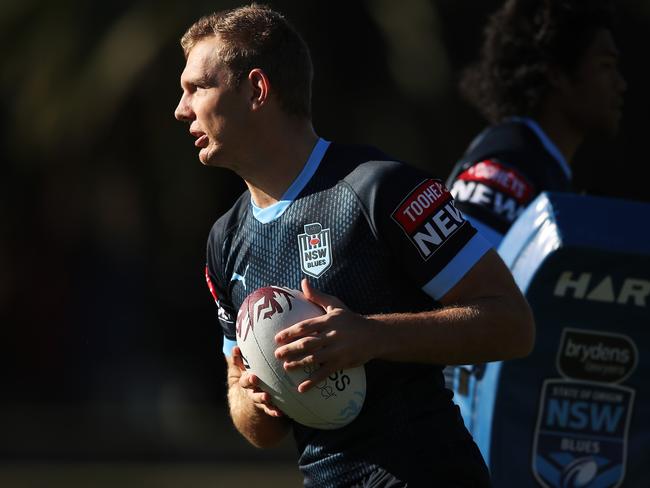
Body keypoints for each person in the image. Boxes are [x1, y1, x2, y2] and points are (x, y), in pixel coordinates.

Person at [174, 4, 534, 487]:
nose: (182, 109)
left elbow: (512, 324)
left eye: (197, 87)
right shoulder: (225, 240)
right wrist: (255, 394)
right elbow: (258, 429)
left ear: (257, 90)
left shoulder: (382, 189)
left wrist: (373, 335)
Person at [446, 0, 626, 247]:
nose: (620, 84)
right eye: (605, 66)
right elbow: (461, 269)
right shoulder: (507, 163)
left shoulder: (539, 166)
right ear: (557, 75)